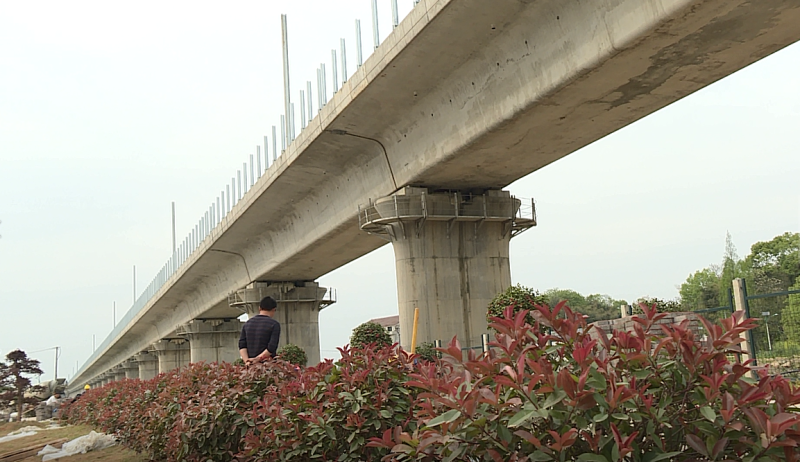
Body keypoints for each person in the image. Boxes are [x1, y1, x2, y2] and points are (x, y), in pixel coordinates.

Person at [239, 296, 281, 365]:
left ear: (259, 308)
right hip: (267, 365)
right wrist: (257, 359)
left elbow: (242, 345)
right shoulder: (274, 325)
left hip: (250, 367)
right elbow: (271, 347)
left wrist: (247, 361)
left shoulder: (247, 324)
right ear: (273, 310)